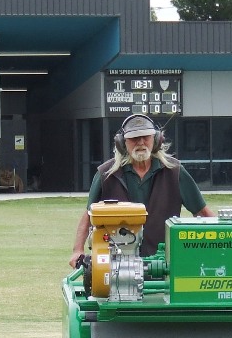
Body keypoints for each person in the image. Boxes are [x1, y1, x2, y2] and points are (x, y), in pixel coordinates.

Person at [69, 114, 214, 267]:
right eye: (134, 138)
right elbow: (88, 214)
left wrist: (224, 244)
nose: (141, 142)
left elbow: (202, 212)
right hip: (116, 265)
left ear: (156, 140)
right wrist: (77, 250)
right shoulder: (106, 174)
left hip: (165, 265)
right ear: (122, 143)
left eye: (146, 137)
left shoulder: (175, 172)